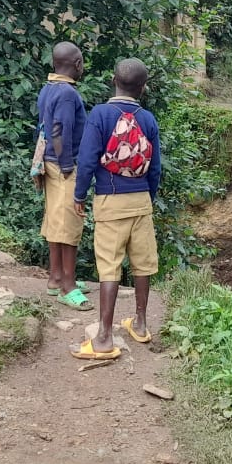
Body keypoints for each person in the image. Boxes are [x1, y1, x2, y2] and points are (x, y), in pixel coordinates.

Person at [69, 58, 161, 359]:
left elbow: (87, 160)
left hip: (109, 201)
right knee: (143, 265)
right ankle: (141, 324)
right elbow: (155, 168)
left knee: (109, 267)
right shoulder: (148, 119)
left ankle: (104, 338)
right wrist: (147, 197)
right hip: (141, 201)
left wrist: (80, 195)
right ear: (143, 88)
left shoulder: (100, 114)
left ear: (113, 81)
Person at [35, 41, 93, 312]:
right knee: (69, 223)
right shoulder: (68, 93)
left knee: (55, 220)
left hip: (49, 162)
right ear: (77, 64)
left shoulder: (48, 88)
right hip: (63, 165)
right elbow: (59, 130)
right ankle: (68, 287)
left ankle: (55, 277)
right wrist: (67, 165)